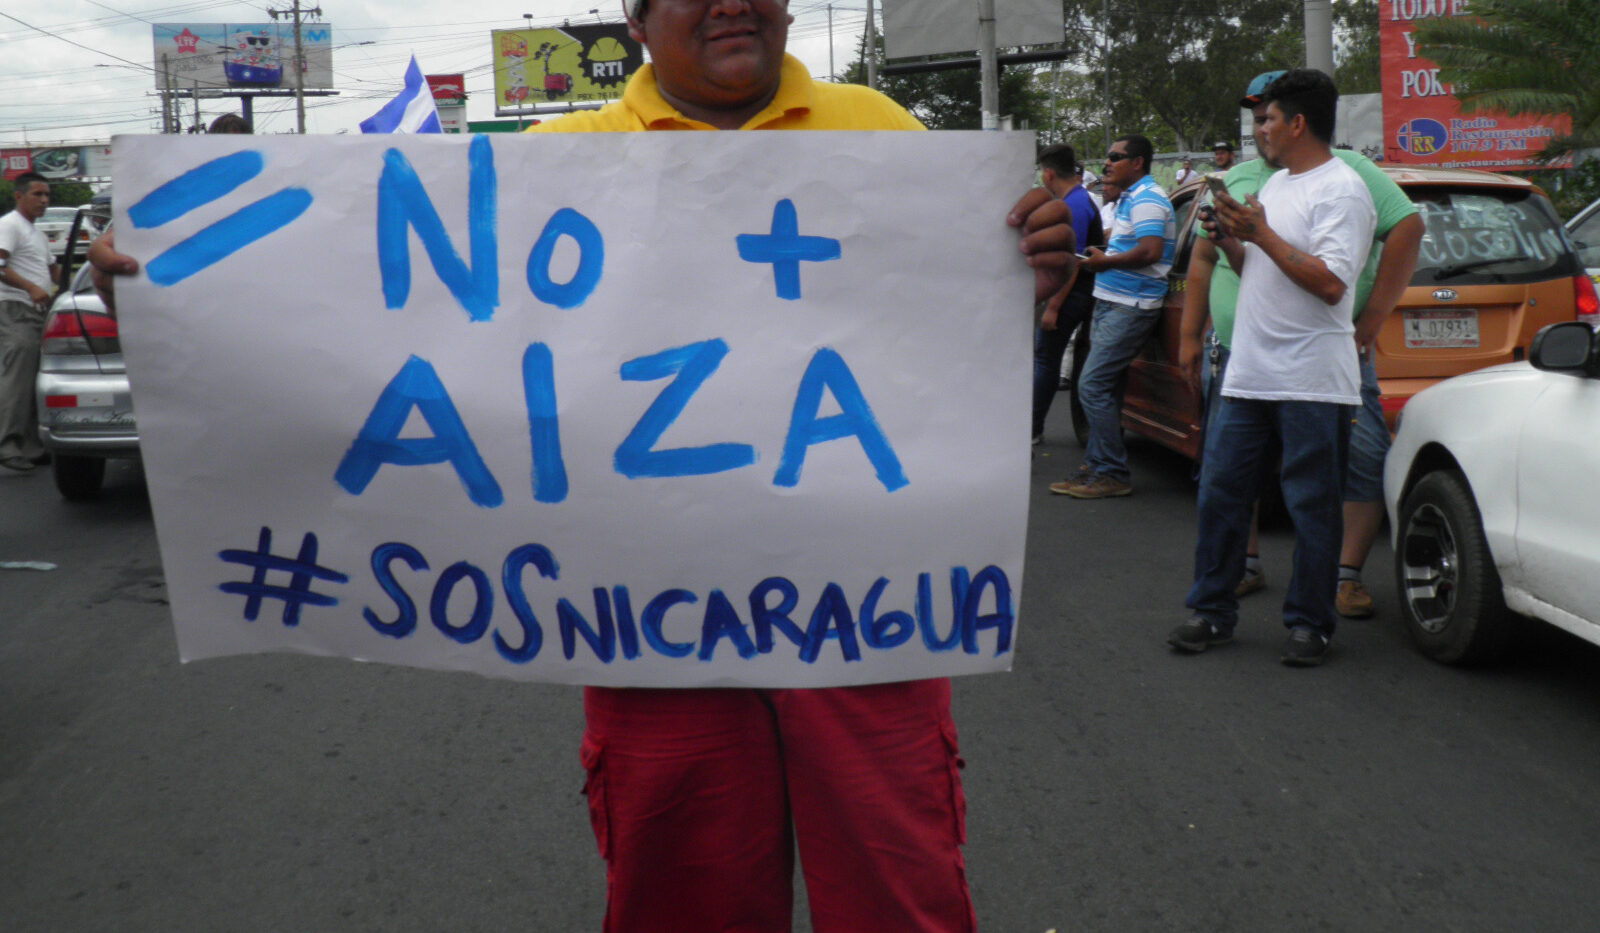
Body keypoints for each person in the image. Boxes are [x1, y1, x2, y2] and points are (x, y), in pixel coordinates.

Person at [92, 0, 1076, 928]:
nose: (732, 4)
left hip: (868, 621)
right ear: (636, 19)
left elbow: (947, 323)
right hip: (650, 633)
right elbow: (360, 313)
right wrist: (170, 281)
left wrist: (1030, 261)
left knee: (900, 895)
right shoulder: (555, 162)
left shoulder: (884, 132)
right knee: (682, 896)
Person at [1178, 70, 1423, 619]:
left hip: (1311, 379)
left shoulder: (1344, 188)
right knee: (1220, 495)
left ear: (1297, 124)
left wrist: (1261, 234)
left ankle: (1309, 623)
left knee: (1312, 505)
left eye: (1266, 119)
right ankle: (1209, 612)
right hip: (1249, 372)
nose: (1258, 129)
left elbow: (1331, 284)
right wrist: (1233, 241)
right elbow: (1258, 270)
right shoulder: (1273, 186)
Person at [1049, 134, 1174, 499]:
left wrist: (1106, 262)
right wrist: (1103, 255)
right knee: (1107, 387)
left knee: (1091, 386)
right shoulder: (1129, 199)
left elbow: (1150, 251)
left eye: (1115, 157)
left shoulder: (1148, 198)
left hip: (1129, 305)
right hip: (1111, 300)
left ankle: (1110, 472)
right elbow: (1132, 246)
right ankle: (1097, 466)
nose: (1107, 163)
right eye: (1108, 156)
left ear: (1137, 163)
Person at [1032, 143, 1103, 444]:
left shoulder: (1073, 205)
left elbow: (1072, 262)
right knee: (1048, 359)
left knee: (1046, 360)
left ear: (1049, 174)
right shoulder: (1077, 200)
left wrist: (1053, 307)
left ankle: (1032, 428)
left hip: (1071, 296)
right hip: (1074, 293)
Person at [0, 171, 58, 473]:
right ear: (18, 196)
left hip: (37, 312)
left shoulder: (36, 233)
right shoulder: (9, 225)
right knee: (18, 379)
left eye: (47, 195)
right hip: (16, 309)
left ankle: (31, 446)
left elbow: (52, 268)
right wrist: (31, 288)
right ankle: (7, 446)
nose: (44, 200)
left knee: (34, 378)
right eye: (37, 194)